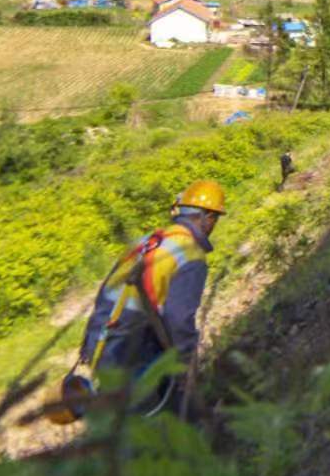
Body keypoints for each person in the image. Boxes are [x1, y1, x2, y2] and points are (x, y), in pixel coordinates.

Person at [69, 179, 225, 419]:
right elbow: (179, 319)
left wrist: (89, 343)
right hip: (135, 346)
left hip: (103, 341)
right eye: (214, 218)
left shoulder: (146, 241)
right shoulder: (190, 255)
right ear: (205, 217)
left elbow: (106, 290)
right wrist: (185, 363)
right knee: (155, 420)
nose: (214, 224)